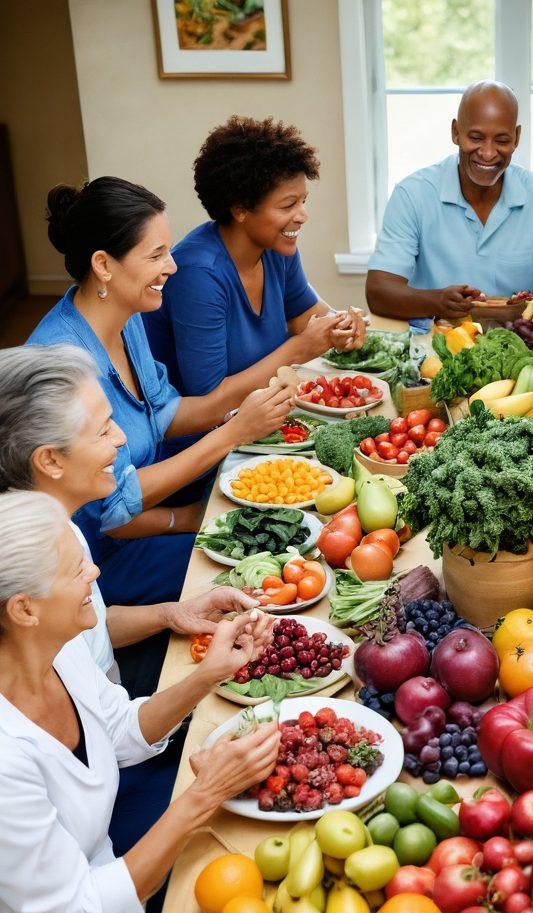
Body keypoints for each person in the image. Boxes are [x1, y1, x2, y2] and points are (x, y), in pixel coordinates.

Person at [0, 490, 280, 913]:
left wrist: (209, 674)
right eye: (75, 567)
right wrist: (203, 795)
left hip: (117, 886)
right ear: (23, 609)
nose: (95, 572)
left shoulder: (58, 650)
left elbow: (121, 730)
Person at [27, 176, 295, 606]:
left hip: (143, 521)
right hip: (96, 565)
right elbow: (111, 507)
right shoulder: (61, 365)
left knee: (275, 525)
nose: (172, 266)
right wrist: (230, 437)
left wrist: (241, 412)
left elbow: (164, 414)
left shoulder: (126, 313)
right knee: (262, 565)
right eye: (157, 254)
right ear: (103, 265)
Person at [0, 345, 256, 687]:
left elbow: (94, 634)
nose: (121, 439)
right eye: (104, 429)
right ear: (50, 461)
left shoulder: (62, 526)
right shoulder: (29, 571)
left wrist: (172, 614)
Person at [144, 115, 365, 399]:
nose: (303, 216)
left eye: (303, 201)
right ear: (240, 210)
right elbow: (208, 398)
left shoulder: (277, 249)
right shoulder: (197, 274)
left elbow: (304, 316)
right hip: (208, 435)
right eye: (288, 205)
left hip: (265, 414)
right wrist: (298, 349)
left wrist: (339, 326)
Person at [365, 80, 533, 330]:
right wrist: (438, 301)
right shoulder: (412, 194)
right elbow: (378, 291)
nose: (488, 152)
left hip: (515, 347)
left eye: (502, 140)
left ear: (516, 137)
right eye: (476, 138)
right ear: (455, 132)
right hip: (433, 348)